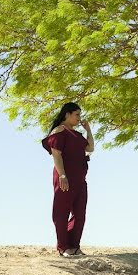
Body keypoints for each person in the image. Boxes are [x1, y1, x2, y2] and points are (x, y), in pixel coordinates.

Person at [42, 102, 94, 257]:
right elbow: (56, 154)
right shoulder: (59, 131)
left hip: (80, 179)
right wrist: (62, 175)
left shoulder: (77, 134)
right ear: (67, 114)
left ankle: (74, 246)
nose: (79, 118)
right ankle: (63, 247)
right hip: (65, 177)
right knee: (61, 212)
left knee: (80, 213)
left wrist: (88, 130)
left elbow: (90, 148)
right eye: (77, 114)